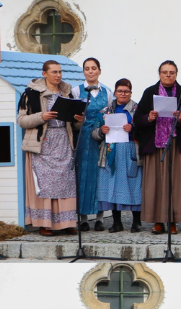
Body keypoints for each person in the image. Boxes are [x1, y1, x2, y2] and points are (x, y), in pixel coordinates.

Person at [17, 60, 80, 236]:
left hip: (63, 140)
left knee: (65, 182)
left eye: (60, 72)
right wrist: (42, 116)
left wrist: (78, 121)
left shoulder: (67, 92)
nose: (58, 75)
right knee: (45, 183)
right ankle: (44, 223)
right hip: (42, 142)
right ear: (44, 74)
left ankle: (66, 222)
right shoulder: (31, 93)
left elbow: (73, 125)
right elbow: (21, 120)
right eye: (54, 72)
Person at [133, 60, 181, 235]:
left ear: (176, 74)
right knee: (156, 183)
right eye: (164, 72)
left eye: (172, 72)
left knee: (175, 183)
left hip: (177, 143)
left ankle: (174, 220)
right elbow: (137, 120)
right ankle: (158, 221)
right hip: (156, 145)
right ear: (159, 73)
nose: (168, 75)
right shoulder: (149, 92)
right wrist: (149, 117)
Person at [95, 79, 142, 233]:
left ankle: (136, 222)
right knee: (112, 186)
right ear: (114, 93)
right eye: (120, 91)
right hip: (110, 152)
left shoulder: (138, 110)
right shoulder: (105, 111)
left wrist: (133, 128)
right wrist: (102, 131)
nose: (123, 94)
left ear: (131, 93)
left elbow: (147, 132)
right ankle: (117, 222)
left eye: (126, 91)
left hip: (130, 150)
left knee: (134, 186)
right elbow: (93, 133)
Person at [72, 58, 112, 231]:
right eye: (87, 69)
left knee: (100, 174)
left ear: (99, 71)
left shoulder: (108, 92)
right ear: (83, 72)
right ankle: (83, 218)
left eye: (93, 68)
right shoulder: (75, 91)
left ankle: (100, 217)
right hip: (82, 137)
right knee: (83, 175)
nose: (90, 71)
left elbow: (109, 115)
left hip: (101, 137)